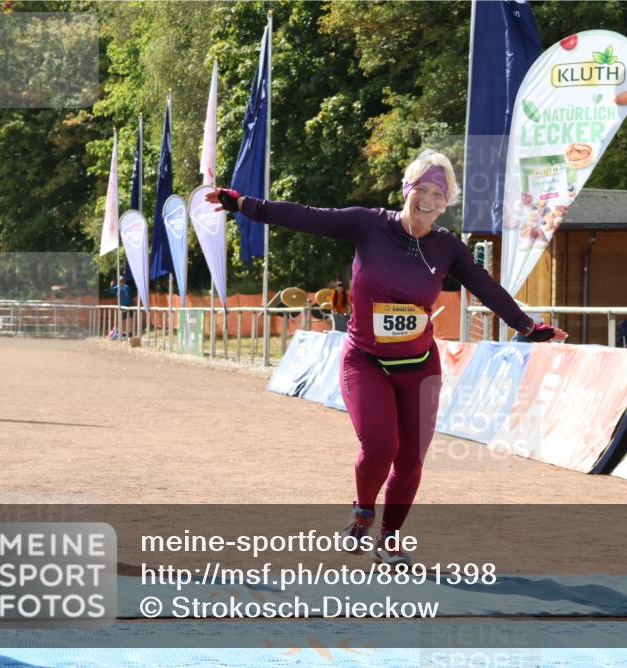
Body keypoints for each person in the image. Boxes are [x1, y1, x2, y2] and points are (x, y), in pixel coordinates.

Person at [205, 150, 566, 566]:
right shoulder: (368, 225)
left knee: (410, 460)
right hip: (365, 362)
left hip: (418, 368)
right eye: (422, 189)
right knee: (380, 445)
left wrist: (527, 326)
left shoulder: (447, 248)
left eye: (439, 194)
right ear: (406, 189)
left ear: (446, 202)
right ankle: (361, 515)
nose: (428, 200)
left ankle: (389, 537)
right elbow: (307, 216)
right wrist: (244, 203)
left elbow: (485, 286)